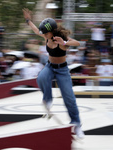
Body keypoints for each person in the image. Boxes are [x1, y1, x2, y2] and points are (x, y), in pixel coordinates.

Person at [22, 8, 84, 138]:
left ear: (52, 31)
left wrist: (65, 43)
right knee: (41, 78)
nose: (43, 35)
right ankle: (48, 99)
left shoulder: (60, 38)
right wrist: (28, 20)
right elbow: (35, 30)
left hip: (62, 70)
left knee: (69, 98)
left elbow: (77, 43)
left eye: (45, 34)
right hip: (50, 67)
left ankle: (76, 124)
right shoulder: (46, 35)